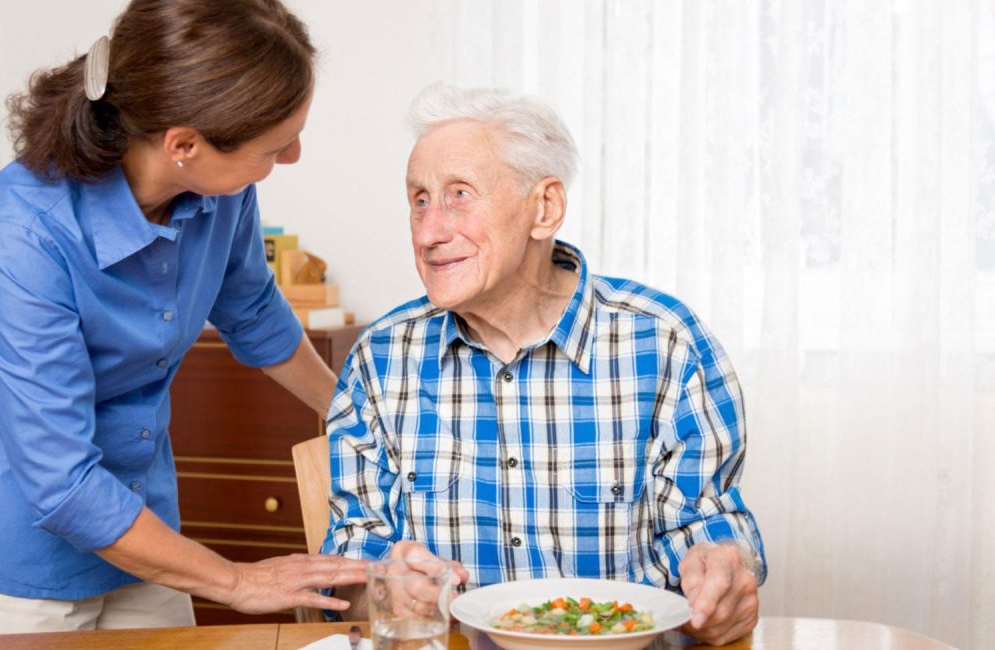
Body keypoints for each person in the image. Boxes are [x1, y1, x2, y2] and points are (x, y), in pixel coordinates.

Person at [322, 83, 766, 646]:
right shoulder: (379, 360)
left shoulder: (664, 342)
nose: (430, 232)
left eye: (459, 194)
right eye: (419, 200)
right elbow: (352, 557)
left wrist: (723, 570)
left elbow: (707, 529)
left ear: (545, 207)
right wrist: (380, 584)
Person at [0, 0, 368, 633]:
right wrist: (238, 581)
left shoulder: (220, 196)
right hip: (29, 564)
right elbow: (62, 484)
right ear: (184, 146)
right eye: (276, 146)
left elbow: (254, 314)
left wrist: (360, 420)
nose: (295, 156)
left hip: (149, 541)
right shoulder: (26, 235)